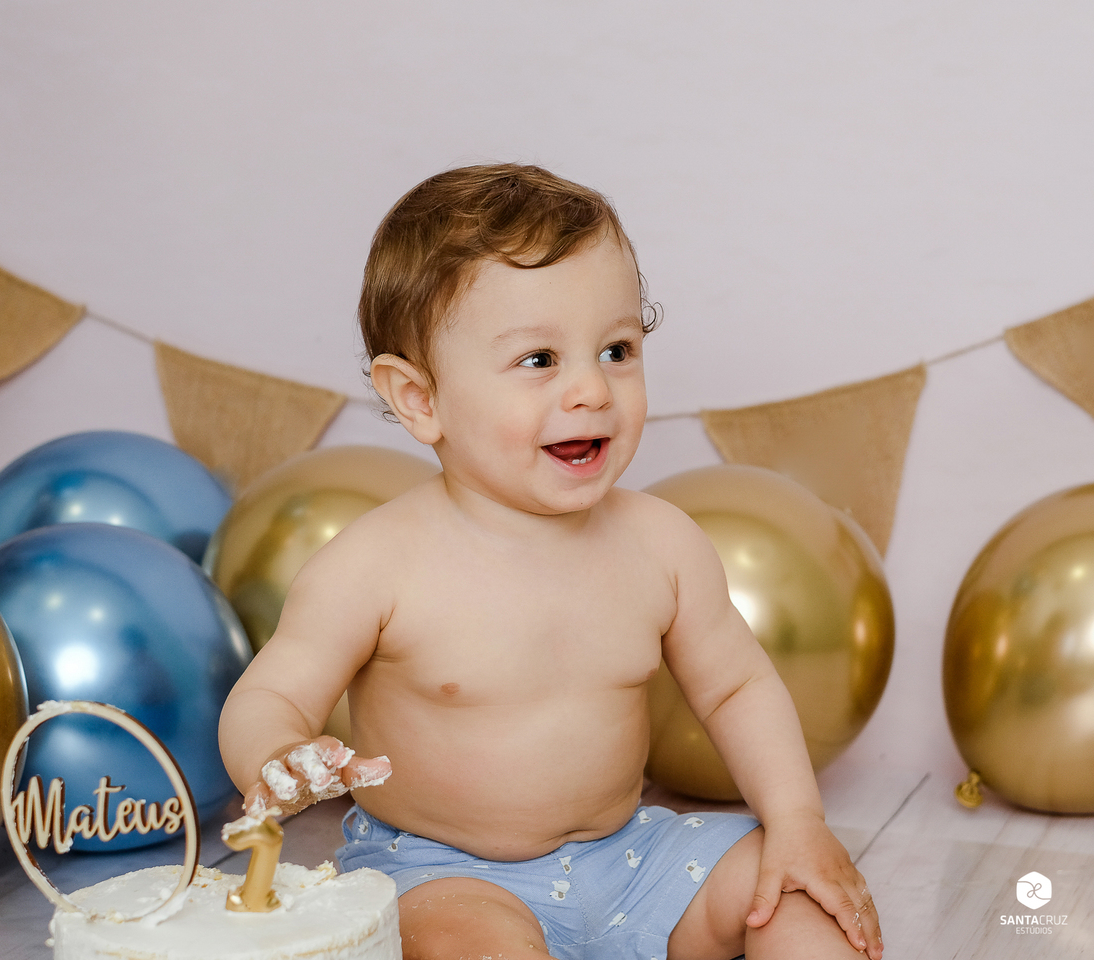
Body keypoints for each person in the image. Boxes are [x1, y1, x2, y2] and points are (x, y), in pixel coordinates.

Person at [219, 163, 882, 960]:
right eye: (540, 360)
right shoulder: (375, 565)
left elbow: (737, 685)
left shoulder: (662, 544)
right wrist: (278, 755)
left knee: (799, 903)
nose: (592, 390)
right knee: (476, 947)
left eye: (616, 349)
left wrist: (797, 823)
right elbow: (271, 694)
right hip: (441, 874)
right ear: (420, 399)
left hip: (633, 860)